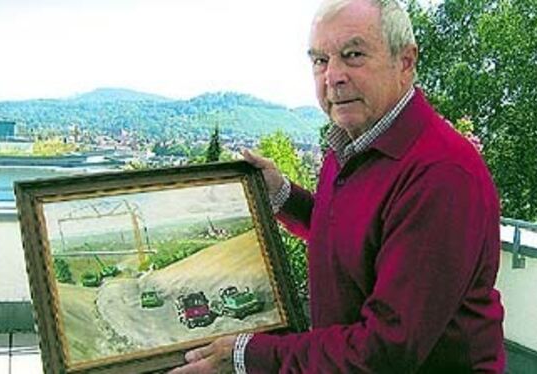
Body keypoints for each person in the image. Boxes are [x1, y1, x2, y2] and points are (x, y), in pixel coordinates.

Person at [171, 0, 505, 372]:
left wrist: (248, 356)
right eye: (319, 60)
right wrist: (281, 194)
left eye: (353, 55)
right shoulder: (352, 142)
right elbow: (349, 235)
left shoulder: (441, 174)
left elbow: (385, 351)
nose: (333, 76)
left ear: (406, 62)